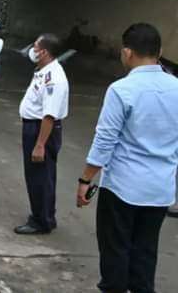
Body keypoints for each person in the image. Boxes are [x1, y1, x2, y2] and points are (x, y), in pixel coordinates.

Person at [76, 23, 178, 293]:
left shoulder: (122, 89)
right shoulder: (176, 87)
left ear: (127, 52)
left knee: (115, 252)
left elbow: (105, 141)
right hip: (159, 190)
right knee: (145, 251)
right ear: (159, 52)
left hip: (123, 188)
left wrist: (85, 179)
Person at [15, 34, 69, 234]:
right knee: (39, 176)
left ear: (44, 52)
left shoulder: (54, 78)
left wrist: (40, 145)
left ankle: (41, 220)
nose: (32, 50)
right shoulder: (44, 70)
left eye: (35, 47)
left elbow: (49, 115)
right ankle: (45, 215)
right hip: (34, 127)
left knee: (40, 176)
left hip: (41, 130)